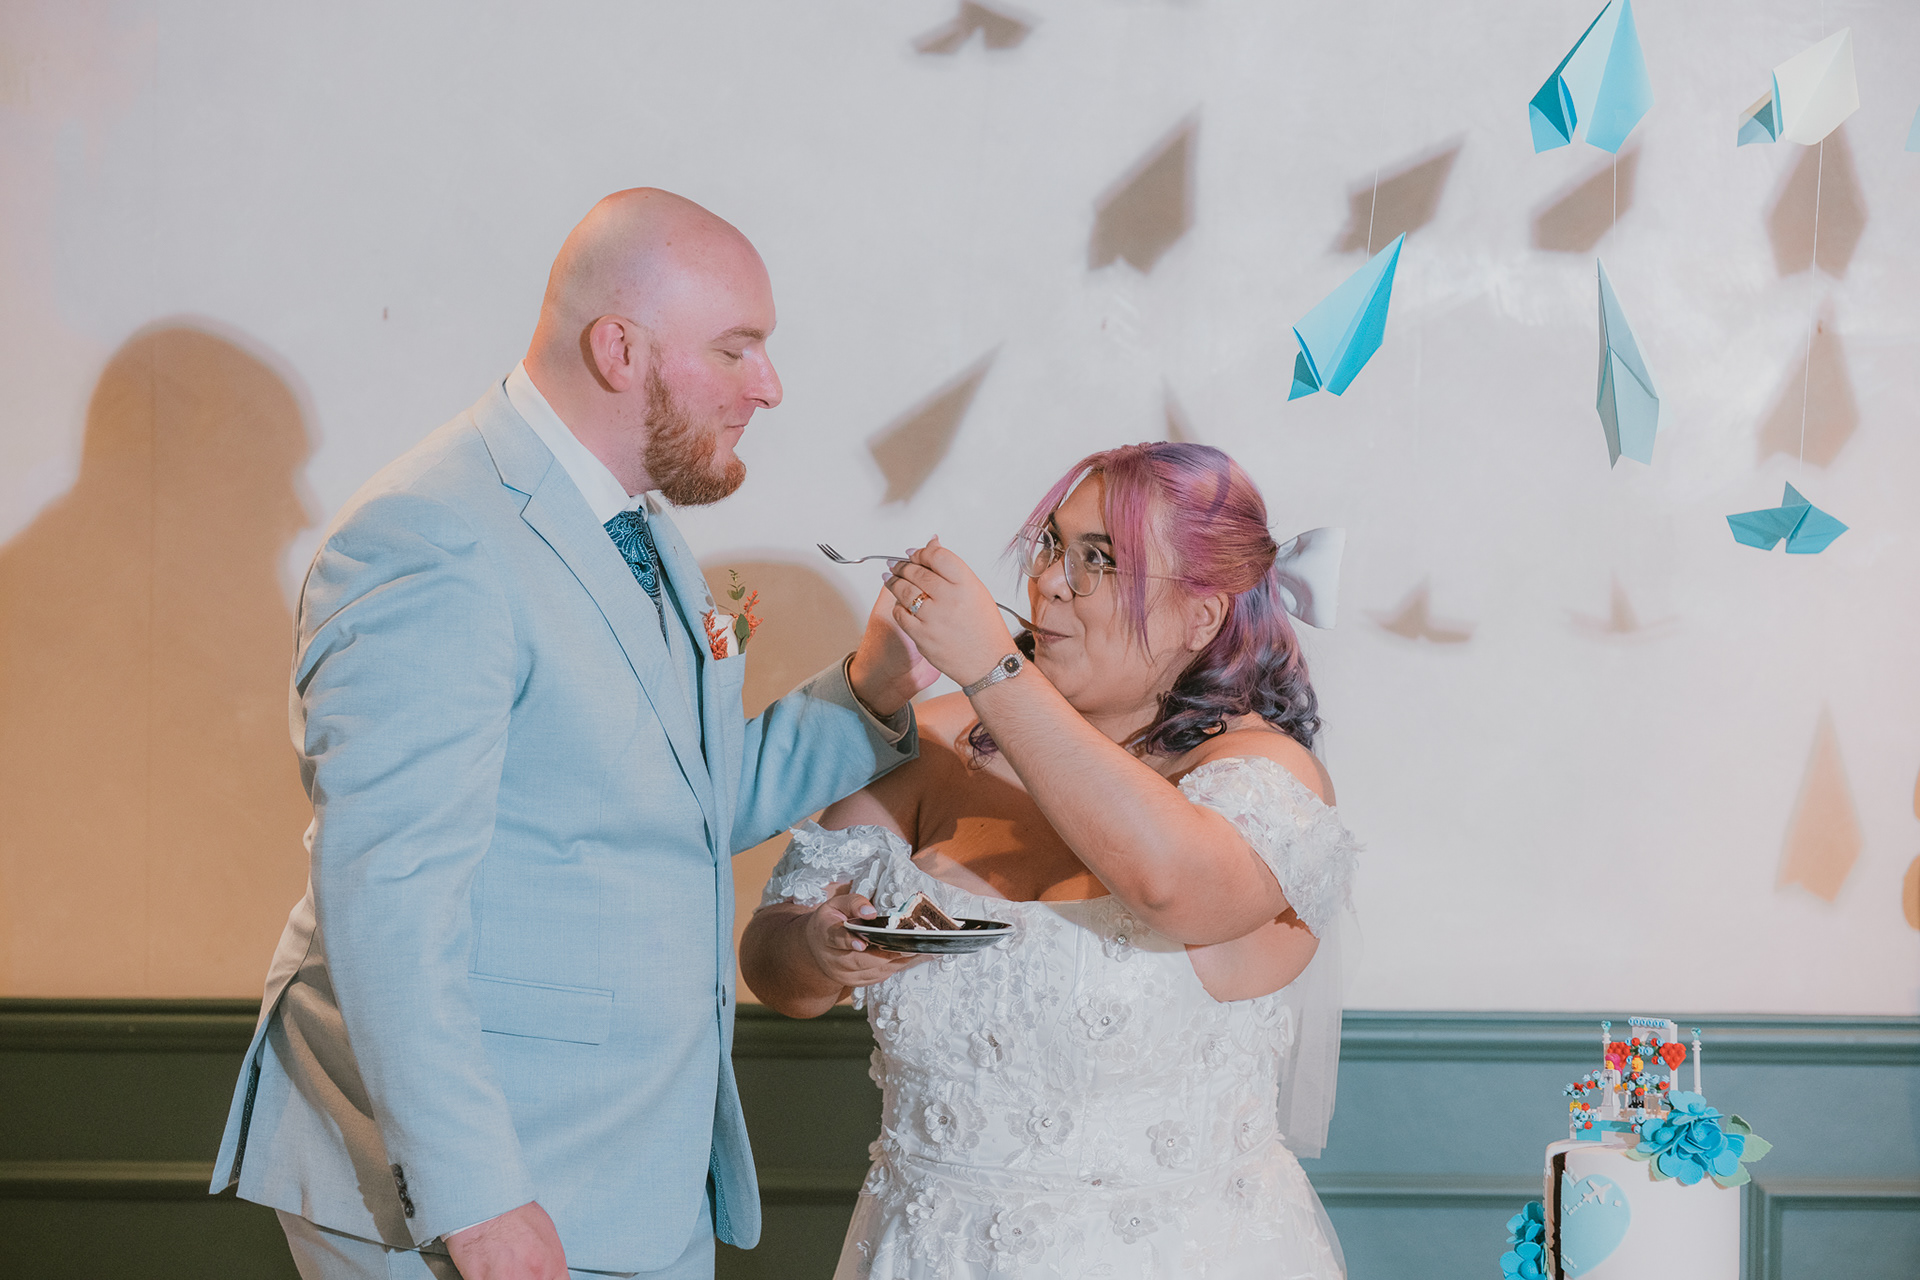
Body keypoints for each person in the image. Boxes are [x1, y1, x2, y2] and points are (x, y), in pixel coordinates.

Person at [209, 189, 934, 1280]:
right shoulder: (432, 535)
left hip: (629, 1166)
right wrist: (477, 1200)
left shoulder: (632, 521)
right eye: (736, 349)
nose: (769, 386)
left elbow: (669, 803)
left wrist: (871, 690)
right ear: (618, 348)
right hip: (482, 1186)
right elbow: (388, 891)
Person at [741, 442, 1358, 1279]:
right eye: (1052, 546)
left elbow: (1172, 886)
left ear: (1201, 617)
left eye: (1100, 560)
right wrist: (820, 948)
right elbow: (773, 964)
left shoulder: (1262, 777)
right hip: (927, 1251)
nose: (1050, 583)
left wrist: (993, 668)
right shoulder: (933, 745)